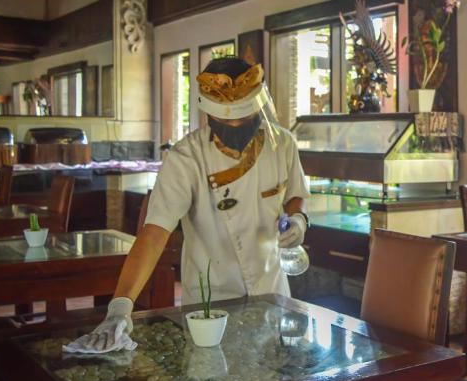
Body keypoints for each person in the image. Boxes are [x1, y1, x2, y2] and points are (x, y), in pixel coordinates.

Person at [66, 57, 308, 353]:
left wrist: (298, 220)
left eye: (244, 120)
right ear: (209, 116)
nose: (235, 127)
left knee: (275, 373)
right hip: (211, 302)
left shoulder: (282, 144)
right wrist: (120, 307)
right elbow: (154, 233)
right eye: (226, 122)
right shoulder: (186, 158)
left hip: (272, 293)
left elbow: (295, 195)